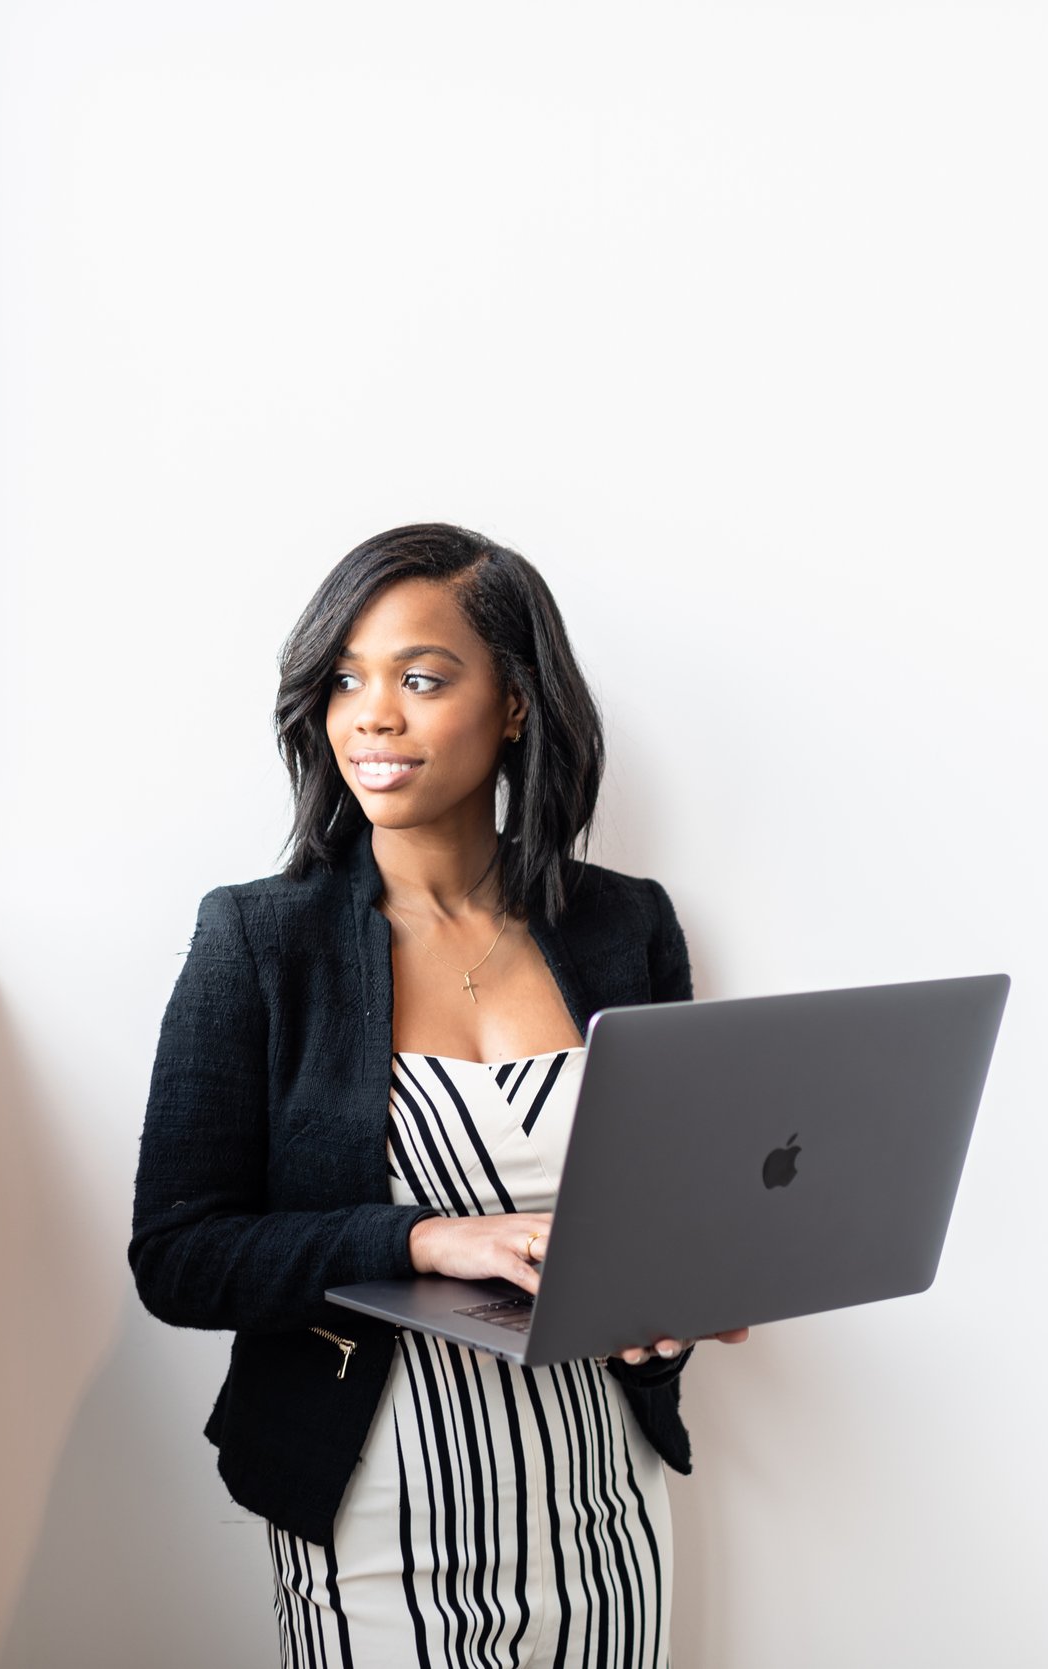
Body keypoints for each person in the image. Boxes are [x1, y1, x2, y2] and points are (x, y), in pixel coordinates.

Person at [130, 522, 747, 1667]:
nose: (373, 714)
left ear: (514, 703)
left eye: (421, 678)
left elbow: (665, 1214)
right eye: (345, 680)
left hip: (599, 1499)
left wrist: (664, 1321)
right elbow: (178, 1255)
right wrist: (426, 1239)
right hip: (371, 1507)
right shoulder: (259, 940)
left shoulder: (628, 928)